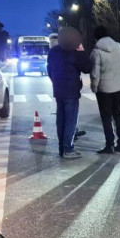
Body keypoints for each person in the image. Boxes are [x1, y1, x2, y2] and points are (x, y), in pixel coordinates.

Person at [46, 27, 89, 159]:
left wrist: (55, 81)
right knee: (70, 121)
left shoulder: (53, 52)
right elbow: (87, 68)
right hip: (71, 92)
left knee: (61, 120)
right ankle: (68, 149)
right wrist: (82, 52)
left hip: (58, 91)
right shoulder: (74, 52)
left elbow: (49, 70)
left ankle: (62, 148)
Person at [89, 26, 120, 154]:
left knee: (106, 118)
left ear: (96, 37)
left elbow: (95, 73)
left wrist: (94, 87)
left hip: (104, 90)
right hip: (118, 88)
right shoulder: (119, 47)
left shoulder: (96, 51)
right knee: (118, 116)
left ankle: (109, 145)